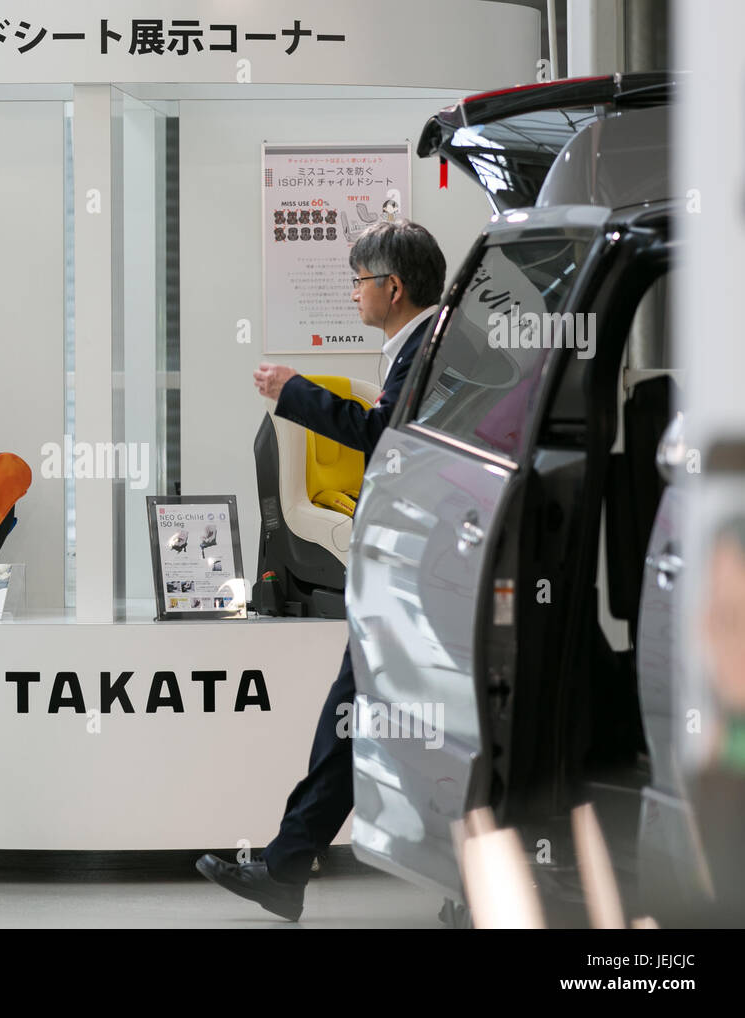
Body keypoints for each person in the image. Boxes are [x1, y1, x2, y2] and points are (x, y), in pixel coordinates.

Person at [196, 218, 447, 921]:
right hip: (404, 571)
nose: (354, 294)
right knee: (354, 715)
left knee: (366, 716)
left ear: (392, 287)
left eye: (360, 280)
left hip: (414, 572)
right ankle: (288, 862)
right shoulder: (423, 346)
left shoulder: (425, 347)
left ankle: (292, 863)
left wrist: (294, 392)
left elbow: (385, 438)